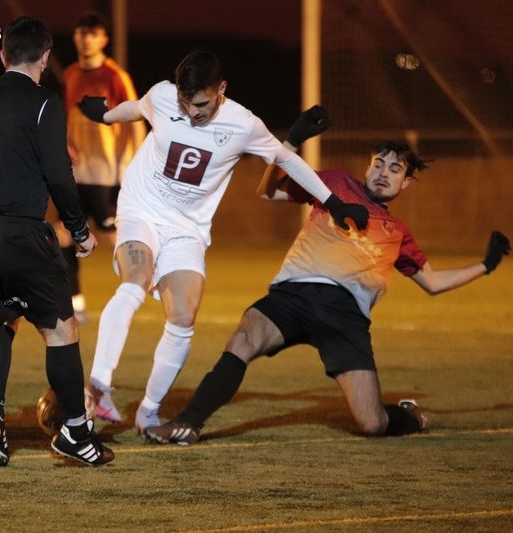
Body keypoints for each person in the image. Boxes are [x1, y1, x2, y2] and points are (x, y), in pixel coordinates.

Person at [143, 125, 512, 445]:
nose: (384, 172)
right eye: (378, 163)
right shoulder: (335, 184)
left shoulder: (398, 232)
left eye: (395, 168)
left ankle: (410, 418)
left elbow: (431, 282)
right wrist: (291, 145)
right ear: (368, 165)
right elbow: (268, 190)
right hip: (293, 295)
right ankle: (187, 425)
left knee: (371, 423)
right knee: (244, 337)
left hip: (344, 315)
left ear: (407, 182)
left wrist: (486, 265)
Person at [76, 51, 369, 434]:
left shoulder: (243, 123)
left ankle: (149, 410)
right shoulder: (164, 95)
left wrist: (333, 202)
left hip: (188, 229)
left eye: (200, 103)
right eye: (185, 102)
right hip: (141, 210)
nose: (192, 111)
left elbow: (287, 161)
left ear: (221, 90)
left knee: (182, 318)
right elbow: (137, 108)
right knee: (135, 281)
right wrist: (104, 115)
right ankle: (97, 389)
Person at [0, 16, 113, 467]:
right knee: (61, 330)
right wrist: (78, 230)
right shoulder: (45, 104)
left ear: (2, 56)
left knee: (0, 318)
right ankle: (75, 433)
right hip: (18, 234)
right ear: (47, 57)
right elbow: (59, 172)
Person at [53, 12, 146, 324]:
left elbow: (135, 123)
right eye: (82, 33)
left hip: (108, 176)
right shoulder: (69, 74)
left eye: (93, 33)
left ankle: (138, 293)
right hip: (77, 175)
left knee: (116, 236)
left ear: (104, 39)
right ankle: (75, 303)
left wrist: (129, 173)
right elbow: (67, 117)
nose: (86, 39)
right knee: (63, 235)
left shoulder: (116, 76)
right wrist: (64, 144)